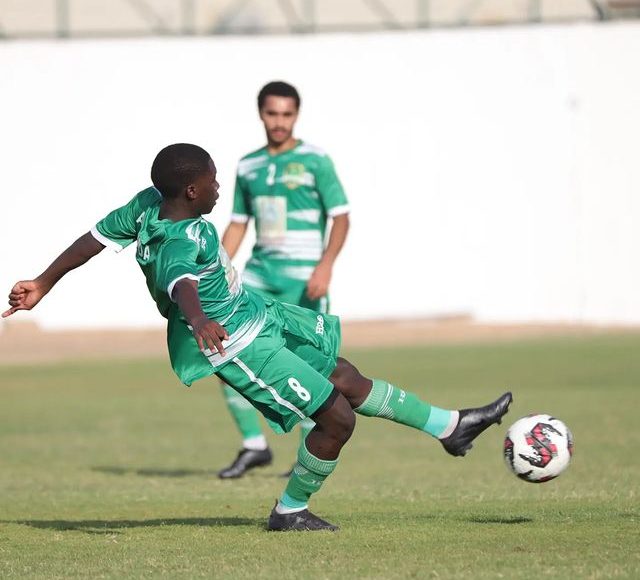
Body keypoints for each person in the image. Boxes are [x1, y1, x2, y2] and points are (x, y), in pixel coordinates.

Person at [3, 143, 512, 532]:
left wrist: (44, 282)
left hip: (257, 313)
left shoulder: (147, 204)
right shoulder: (183, 237)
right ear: (192, 192)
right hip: (237, 343)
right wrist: (199, 320)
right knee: (337, 418)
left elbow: (92, 239)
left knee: (344, 375)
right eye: (213, 180)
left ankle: (451, 426)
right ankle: (290, 510)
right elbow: (181, 282)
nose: (219, 187)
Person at [218, 81, 350, 479]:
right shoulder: (248, 165)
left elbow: (341, 217)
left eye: (287, 114)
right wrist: (216, 269)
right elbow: (238, 224)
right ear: (261, 113)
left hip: (304, 280)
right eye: (272, 113)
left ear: (296, 115)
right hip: (258, 277)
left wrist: (326, 265)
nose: (279, 121)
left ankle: (307, 454)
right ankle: (254, 446)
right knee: (225, 352)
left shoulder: (315, 160)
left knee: (313, 364)